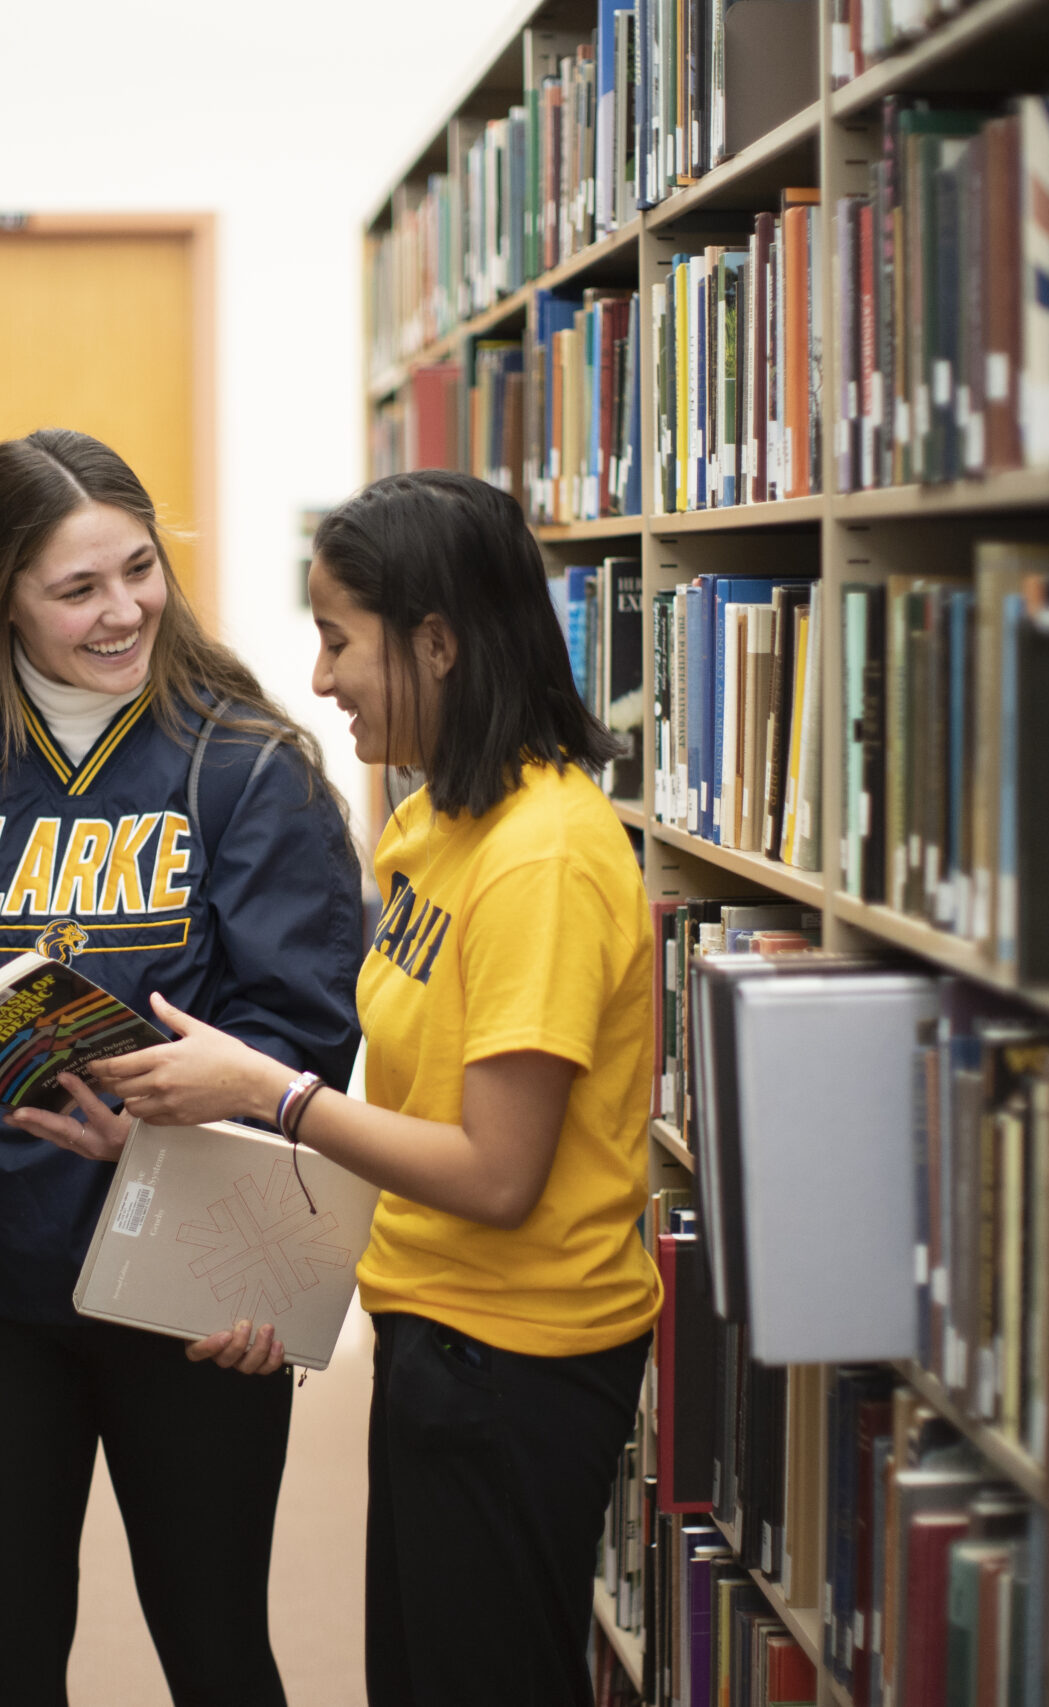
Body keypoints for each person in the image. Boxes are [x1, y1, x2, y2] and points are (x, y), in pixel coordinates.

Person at [50, 469, 663, 1705]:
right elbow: (407, 1124)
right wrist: (177, 1162)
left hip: (520, 1365)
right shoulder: (437, 824)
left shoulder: (543, 858)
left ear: (436, 644)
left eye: (338, 640)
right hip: (435, 1337)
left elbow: (495, 1174)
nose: (319, 678)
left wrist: (262, 1087)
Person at [0, 428, 364, 1707]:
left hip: (193, 1284)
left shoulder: (244, 767)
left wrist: (201, 1188)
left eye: (140, 569)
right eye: (77, 589)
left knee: (217, 1648)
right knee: (5, 1662)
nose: (123, 611)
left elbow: (300, 1044)